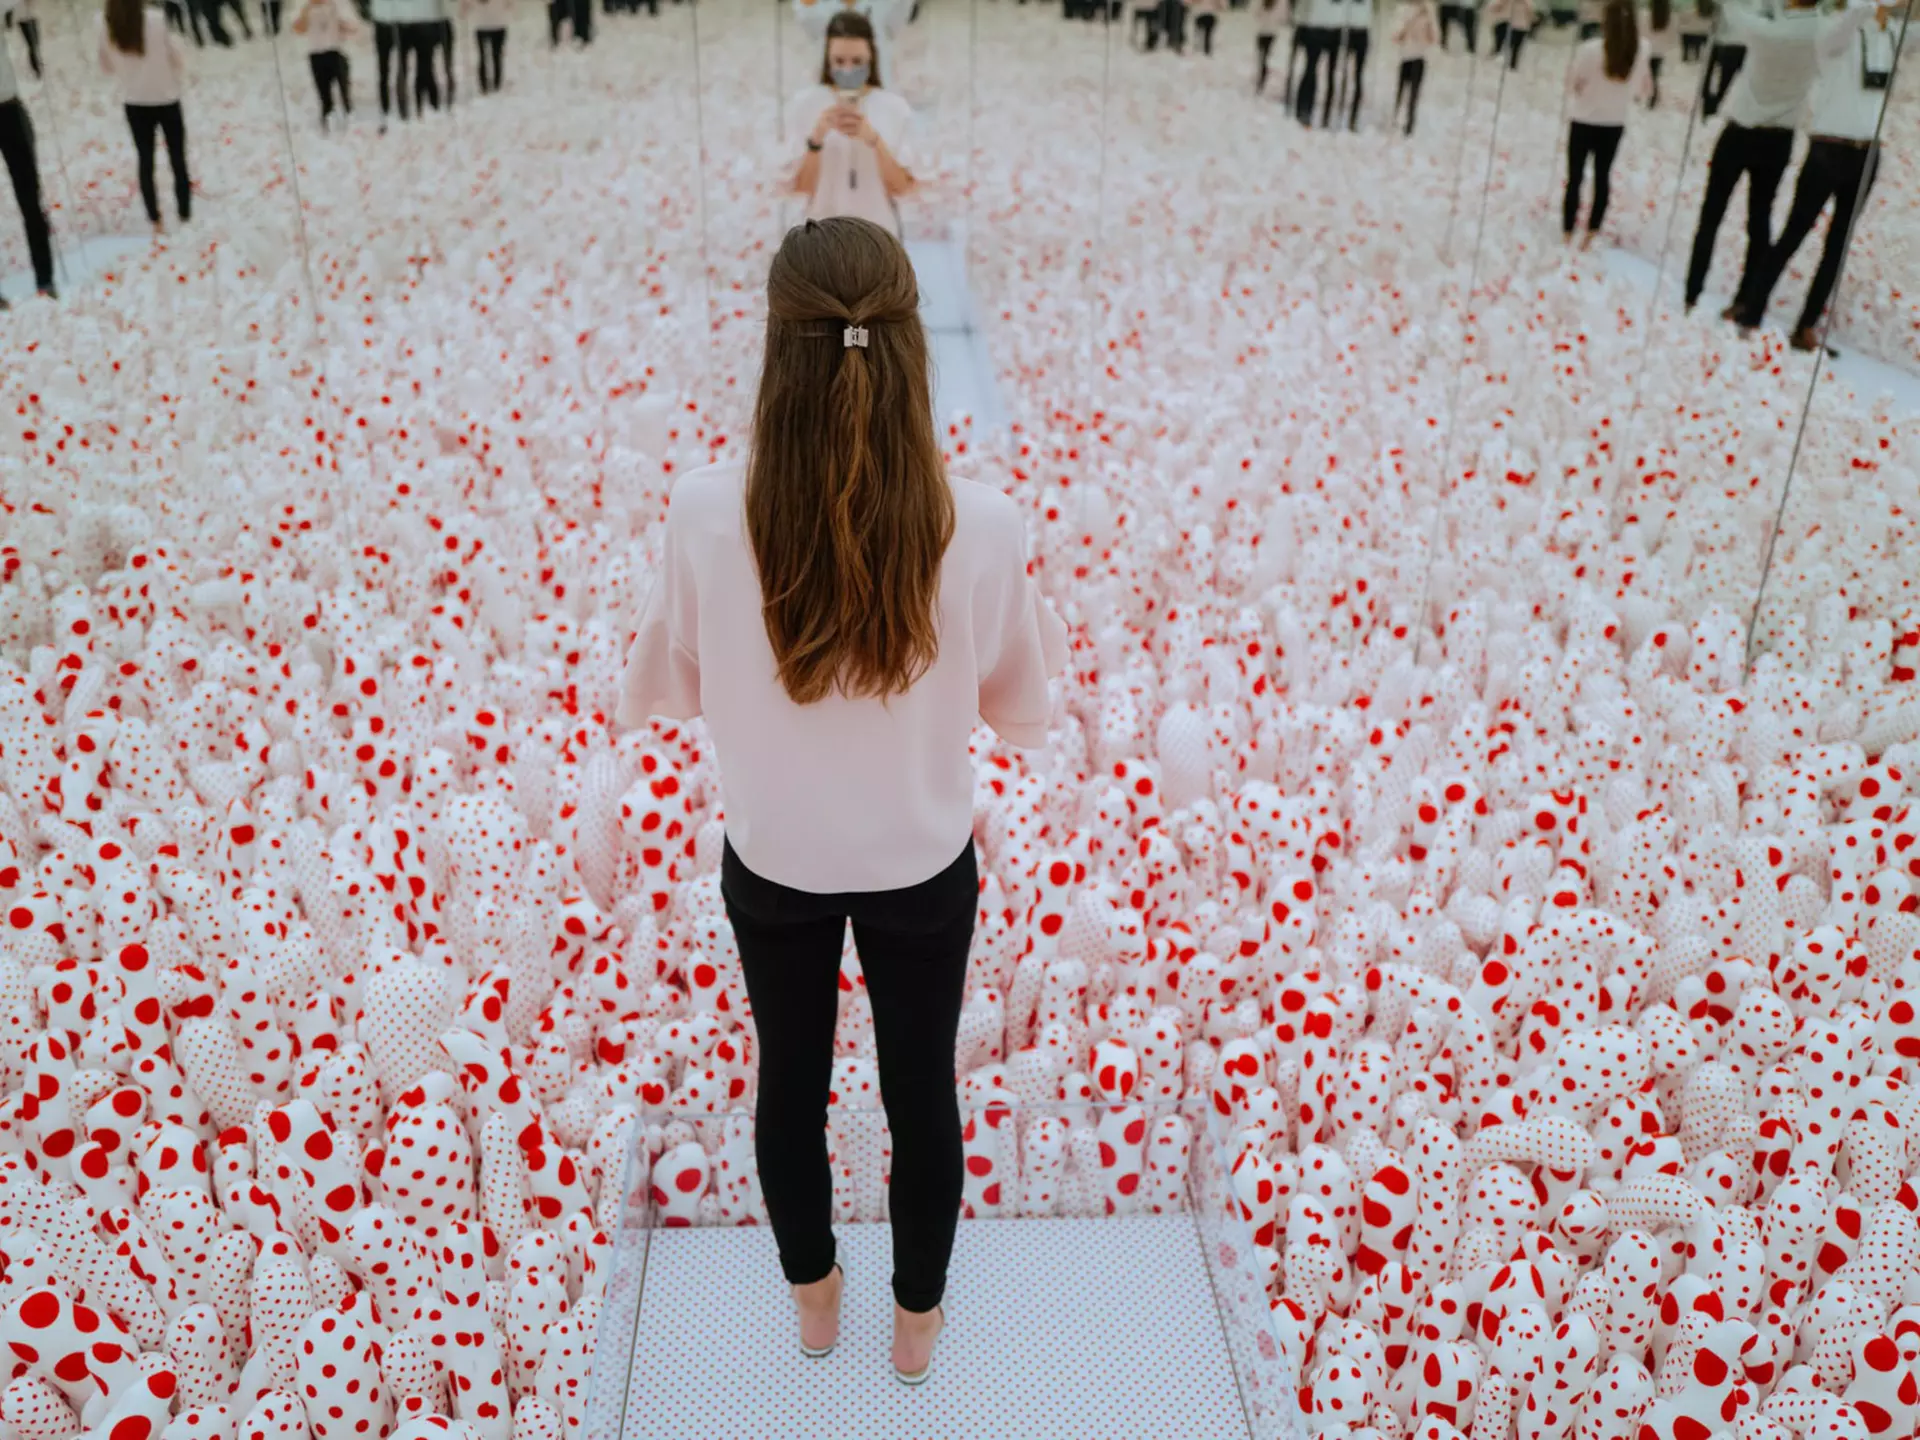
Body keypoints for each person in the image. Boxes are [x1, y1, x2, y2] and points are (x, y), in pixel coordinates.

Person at [616, 215, 1065, 1388]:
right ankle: (917, 1327)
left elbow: (674, 682)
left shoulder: (707, 511)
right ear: (911, 345)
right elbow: (1023, 705)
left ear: (778, 347)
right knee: (923, 1094)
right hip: (923, 862)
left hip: (775, 865)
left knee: (789, 1084)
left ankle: (815, 1304)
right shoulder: (985, 522)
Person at [1727, 0, 1900, 348]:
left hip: (1867, 153)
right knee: (1794, 234)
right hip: (1827, 149)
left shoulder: (1892, 34)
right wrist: (1867, 7)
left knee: (1837, 245)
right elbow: (1842, 27)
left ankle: (1806, 325)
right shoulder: (1834, 29)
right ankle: (1751, 311)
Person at [1682, 0, 1873, 314]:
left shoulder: (1767, 30)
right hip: (1780, 138)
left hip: (1740, 132)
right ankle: (1744, 299)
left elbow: (1733, 10)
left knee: (1712, 214)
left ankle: (1691, 296)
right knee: (1759, 219)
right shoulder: (1822, 31)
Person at [791, 13, 914, 238]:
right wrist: (816, 140)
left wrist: (874, 141)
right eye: (839, 61)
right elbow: (801, 188)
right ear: (828, 60)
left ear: (871, 58)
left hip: (879, 238)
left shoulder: (894, 108)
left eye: (857, 61)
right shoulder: (806, 105)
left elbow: (902, 188)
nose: (848, 70)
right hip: (822, 238)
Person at [97, 0, 190, 232]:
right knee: (177, 157)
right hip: (166, 96)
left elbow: (106, 66)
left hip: (135, 100)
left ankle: (155, 219)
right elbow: (177, 59)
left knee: (145, 160)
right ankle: (184, 212)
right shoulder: (157, 19)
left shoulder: (104, 23)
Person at [1564, 0, 1651, 244]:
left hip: (1583, 120)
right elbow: (1643, 90)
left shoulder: (1590, 49)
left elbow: (1572, 84)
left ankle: (1568, 231)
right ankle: (1591, 233)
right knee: (1603, 177)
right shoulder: (1642, 49)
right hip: (1614, 122)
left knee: (1575, 176)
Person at [1, 0, 55, 302]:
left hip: (8, 108)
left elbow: (20, 7)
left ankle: (45, 278)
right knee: (29, 196)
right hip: (7, 106)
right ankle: (45, 280)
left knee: (30, 196)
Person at [291, 0, 355, 126]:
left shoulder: (338, 4)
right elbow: (298, 29)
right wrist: (307, 10)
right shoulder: (303, 5)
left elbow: (352, 27)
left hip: (336, 51)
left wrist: (339, 19)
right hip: (316, 53)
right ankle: (327, 122)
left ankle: (349, 118)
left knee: (344, 92)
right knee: (324, 95)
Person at [1294, 0, 1344, 124]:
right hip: (1314, 26)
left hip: (1335, 28)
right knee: (1311, 69)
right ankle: (1304, 108)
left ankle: (1326, 115)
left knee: (1331, 73)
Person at [1392, 0, 1438, 132]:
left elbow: (1434, 38)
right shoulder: (1402, 9)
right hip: (1405, 56)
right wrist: (1411, 19)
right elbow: (1395, 36)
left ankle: (1410, 122)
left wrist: (1429, 18)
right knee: (1401, 90)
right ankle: (1397, 118)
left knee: (1414, 92)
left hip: (1420, 56)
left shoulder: (1429, 9)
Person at [1337, 0, 1372, 130]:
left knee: (1358, 75)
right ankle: (1340, 109)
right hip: (1348, 31)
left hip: (1362, 31)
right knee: (1344, 73)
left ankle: (1353, 117)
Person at [468, 0, 504, 91]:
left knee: (482, 56)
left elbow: (467, 4)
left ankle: (484, 84)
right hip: (498, 23)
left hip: (481, 25)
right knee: (496, 55)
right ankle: (496, 83)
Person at [1643, 0, 1672, 101]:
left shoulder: (1645, 15)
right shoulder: (1668, 18)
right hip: (1660, 51)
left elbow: (1642, 33)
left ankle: (1645, 95)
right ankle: (1653, 98)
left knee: (1645, 74)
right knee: (1654, 75)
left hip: (1646, 49)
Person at [6, 0, 40, 77]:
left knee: (35, 45)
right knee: (32, 46)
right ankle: (37, 69)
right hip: (24, 18)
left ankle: (37, 68)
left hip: (31, 17)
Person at [1256, 0, 1282, 89]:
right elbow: (1285, 16)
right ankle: (1263, 70)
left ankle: (1262, 70)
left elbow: (1256, 13)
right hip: (1272, 32)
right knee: (1266, 54)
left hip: (1261, 31)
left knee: (1261, 55)